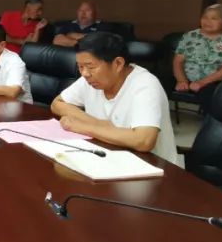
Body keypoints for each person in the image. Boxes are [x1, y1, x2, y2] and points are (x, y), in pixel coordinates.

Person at [52, 32, 182, 167]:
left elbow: (144, 140)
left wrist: (85, 127)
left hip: (152, 168)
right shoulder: (91, 79)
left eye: (90, 67)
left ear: (118, 64)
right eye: (80, 67)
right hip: (108, 159)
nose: (85, 73)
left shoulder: (145, 84)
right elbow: (58, 103)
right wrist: (96, 123)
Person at [172, 3, 222, 110]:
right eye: (205, 17)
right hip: (186, 77)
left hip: (215, 80)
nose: (207, 21)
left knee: (211, 96)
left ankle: (211, 120)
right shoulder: (190, 36)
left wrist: (202, 83)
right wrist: (181, 80)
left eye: (214, 18)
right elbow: (178, 61)